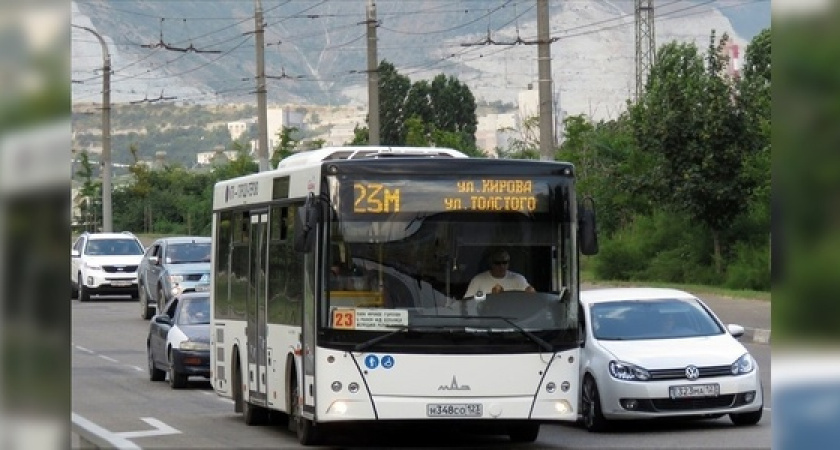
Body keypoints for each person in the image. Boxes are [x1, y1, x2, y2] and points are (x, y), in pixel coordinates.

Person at [463, 249, 534, 298]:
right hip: (485, 318)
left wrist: (531, 291)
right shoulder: (478, 280)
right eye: (497, 263)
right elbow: (467, 302)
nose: (501, 266)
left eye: (504, 262)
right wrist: (491, 297)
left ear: (508, 263)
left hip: (513, 318)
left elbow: (530, 298)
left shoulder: (518, 279)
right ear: (491, 263)